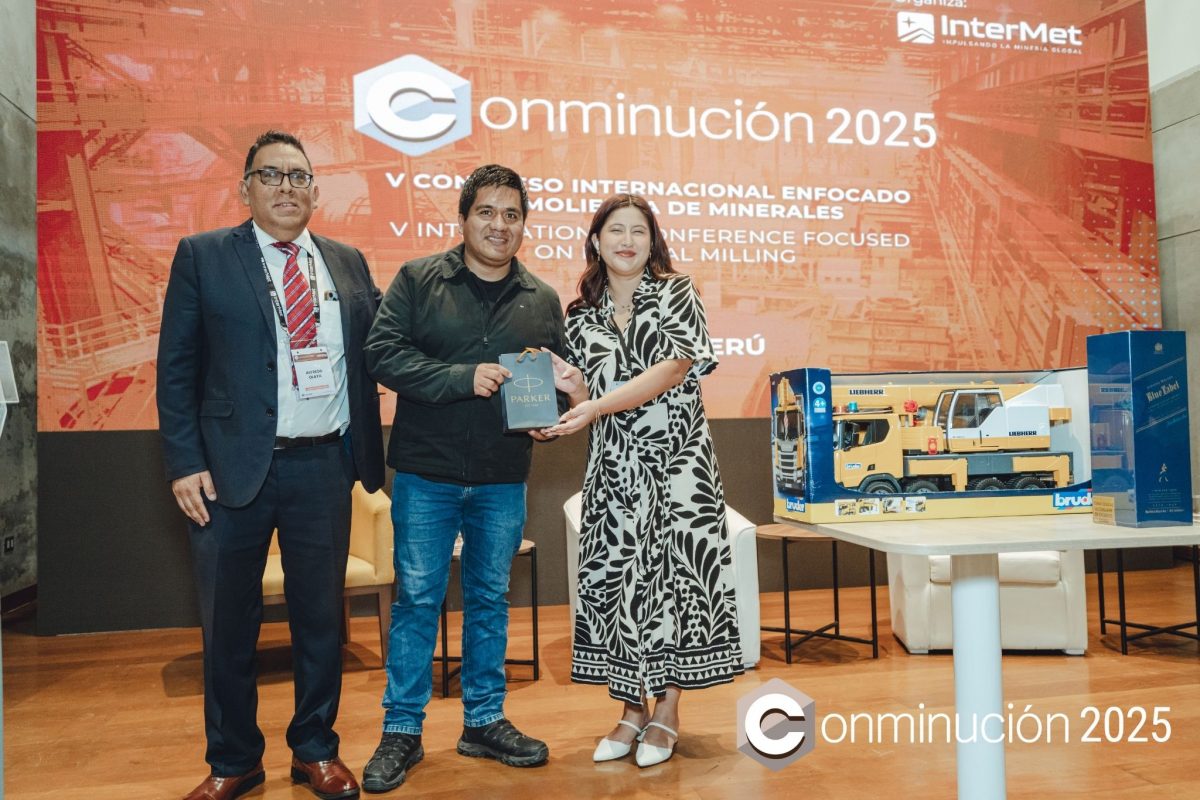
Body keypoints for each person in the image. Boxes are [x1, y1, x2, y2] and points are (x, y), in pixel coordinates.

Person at [158, 130, 384, 800]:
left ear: (315, 190)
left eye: (299, 176)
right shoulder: (203, 255)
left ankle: (316, 749)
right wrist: (183, 462)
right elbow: (176, 368)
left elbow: (383, 352)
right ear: (246, 187)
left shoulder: (347, 262)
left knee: (321, 620)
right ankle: (233, 760)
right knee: (229, 623)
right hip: (228, 472)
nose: (287, 187)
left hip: (324, 468)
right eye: (271, 174)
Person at [360, 164, 564, 793]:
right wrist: (461, 377)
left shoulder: (542, 299)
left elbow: (557, 379)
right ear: (464, 218)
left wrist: (550, 416)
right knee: (418, 600)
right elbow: (381, 354)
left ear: (524, 224)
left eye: (512, 215)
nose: (500, 225)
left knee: (489, 600)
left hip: (503, 476)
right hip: (427, 474)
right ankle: (402, 729)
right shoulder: (419, 279)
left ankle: (483, 720)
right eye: (487, 212)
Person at [544, 194, 743, 768]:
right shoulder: (579, 316)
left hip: (679, 466)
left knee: (679, 584)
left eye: (638, 231)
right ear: (596, 241)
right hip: (613, 469)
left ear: (652, 241)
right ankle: (631, 710)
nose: (627, 240)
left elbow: (674, 367)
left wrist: (594, 403)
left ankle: (668, 712)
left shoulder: (677, 292)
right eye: (616, 230)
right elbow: (588, 400)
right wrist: (573, 393)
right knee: (617, 585)